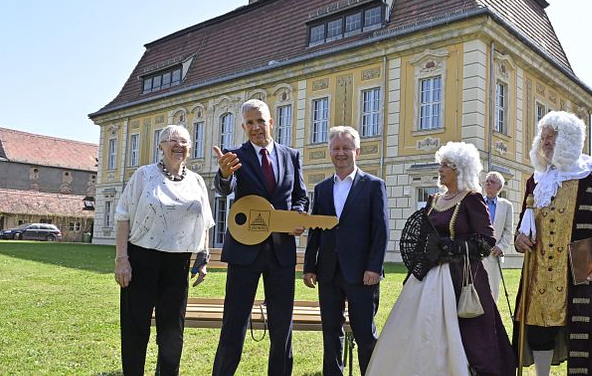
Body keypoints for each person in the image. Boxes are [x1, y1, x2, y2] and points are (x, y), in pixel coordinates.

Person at [367, 141, 515, 376]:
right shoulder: (434, 200)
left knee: (472, 334)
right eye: (441, 163)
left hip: (462, 278)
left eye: (446, 165)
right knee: (419, 328)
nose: (441, 169)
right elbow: (424, 234)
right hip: (428, 276)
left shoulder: (472, 198)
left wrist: (452, 246)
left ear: (459, 169)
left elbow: (486, 241)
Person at [513, 111, 592, 376]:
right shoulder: (535, 179)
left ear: (570, 139)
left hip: (579, 270)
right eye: (543, 137)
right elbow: (524, 221)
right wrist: (519, 238)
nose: (546, 142)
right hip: (539, 270)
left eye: (552, 137)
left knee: (583, 334)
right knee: (540, 328)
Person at [211, 99, 309, 376]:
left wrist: (297, 217)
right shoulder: (234, 156)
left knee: (282, 327)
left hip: (281, 253)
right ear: (243, 127)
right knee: (234, 323)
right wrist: (224, 173)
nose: (256, 127)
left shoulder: (291, 156)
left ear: (271, 122)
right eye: (250, 123)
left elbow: (300, 197)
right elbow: (224, 188)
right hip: (245, 252)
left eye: (260, 121)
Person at [114, 124, 214, 376]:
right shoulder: (144, 176)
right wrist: (121, 259)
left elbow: (205, 223)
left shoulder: (196, 181)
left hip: (178, 263)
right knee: (135, 328)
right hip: (141, 259)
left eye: (184, 142)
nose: (178, 145)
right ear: (161, 146)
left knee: (172, 332)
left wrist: (203, 258)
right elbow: (123, 216)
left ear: (190, 149)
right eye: (172, 140)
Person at [303, 126, 390, 376]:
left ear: (357, 151)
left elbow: (380, 230)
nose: (341, 153)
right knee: (331, 332)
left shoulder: (374, 186)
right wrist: (310, 265)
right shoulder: (321, 189)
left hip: (363, 273)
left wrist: (374, 267)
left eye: (346, 148)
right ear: (330, 152)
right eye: (336, 148)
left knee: (365, 333)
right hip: (328, 272)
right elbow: (315, 230)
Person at [482, 171, 513, 302]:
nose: (488, 183)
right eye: (487, 181)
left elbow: (508, 230)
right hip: (476, 254)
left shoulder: (506, 205)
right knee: (475, 291)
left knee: (493, 291)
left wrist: (501, 247)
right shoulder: (477, 202)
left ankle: (491, 320)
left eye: (492, 181)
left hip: (494, 256)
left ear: (499, 187)